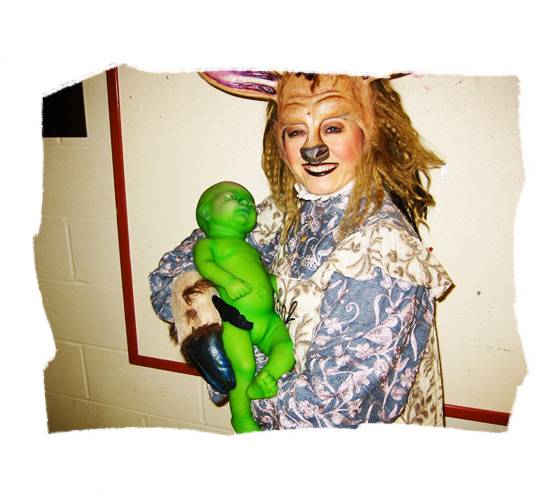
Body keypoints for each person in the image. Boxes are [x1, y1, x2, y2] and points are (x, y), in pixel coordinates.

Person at [149, 71, 453, 431]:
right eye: (296, 131)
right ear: (279, 142)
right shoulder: (285, 212)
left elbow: (325, 410)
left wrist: (241, 362)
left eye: (333, 127)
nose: (313, 147)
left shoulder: (382, 249)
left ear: (371, 131)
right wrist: (197, 311)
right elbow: (169, 274)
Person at [193, 181, 295, 433]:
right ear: (206, 212)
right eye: (232, 197)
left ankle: (265, 378)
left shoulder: (250, 247)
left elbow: (258, 271)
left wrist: (273, 282)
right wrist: (228, 281)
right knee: (243, 367)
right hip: (235, 320)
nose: (245, 203)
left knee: (288, 348)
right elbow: (205, 266)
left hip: (268, 319)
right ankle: (241, 418)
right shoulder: (208, 244)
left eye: (249, 202)